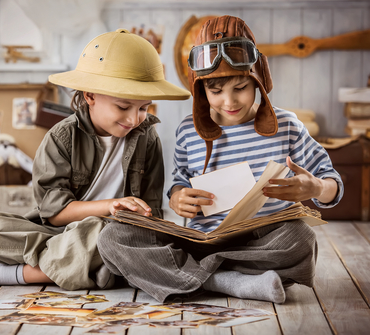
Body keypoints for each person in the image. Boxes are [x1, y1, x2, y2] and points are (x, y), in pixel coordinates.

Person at [97, 16, 343, 303]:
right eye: (215, 92)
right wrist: (177, 198)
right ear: (201, 90)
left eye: (240, 88)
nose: (229, 102)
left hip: (263, 241)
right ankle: (226, 281)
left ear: (258, 80)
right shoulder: (189, 130)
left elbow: (333, 183)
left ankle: (192, 277)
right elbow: (178, 182)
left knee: (301, 240)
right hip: (202, 243)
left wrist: (316, 188)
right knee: (114, 237)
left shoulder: (287, 125)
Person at [0, 29, 190, 290]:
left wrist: (133, 219)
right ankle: (100, 269)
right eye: (123, 107)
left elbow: (150, 215)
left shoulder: (147, 138)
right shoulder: (61, 138)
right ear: (90, 96)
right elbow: (55, 214)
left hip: (112, 235)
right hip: (60, 231)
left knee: (106, 235)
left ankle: (7, 274)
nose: (133, 119)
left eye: (143, 108)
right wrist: (110, 205)